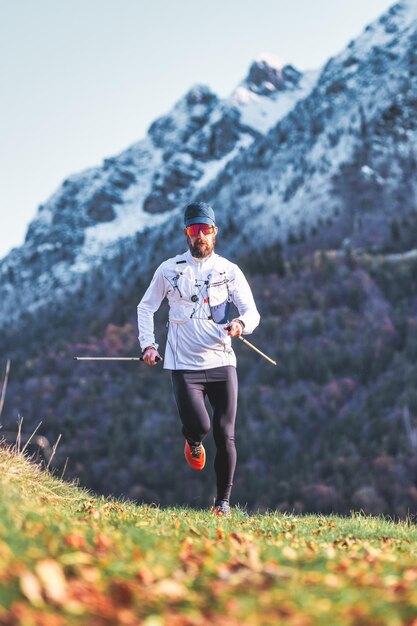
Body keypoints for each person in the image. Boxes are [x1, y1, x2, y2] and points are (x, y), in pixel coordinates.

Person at [137, 202, 260, 516]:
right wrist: (148, 346)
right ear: (186, 234)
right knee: (201, 425)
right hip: (183, 364)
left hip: (221, 361)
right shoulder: (169, 269)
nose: (200, 236)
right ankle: (192, 440)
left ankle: (223, 503)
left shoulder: (229, 270)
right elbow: (145, 307)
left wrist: (241, 324)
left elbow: (252, 312)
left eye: (205, 229)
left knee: (225, 433)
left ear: (215, 232)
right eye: (194, 230)